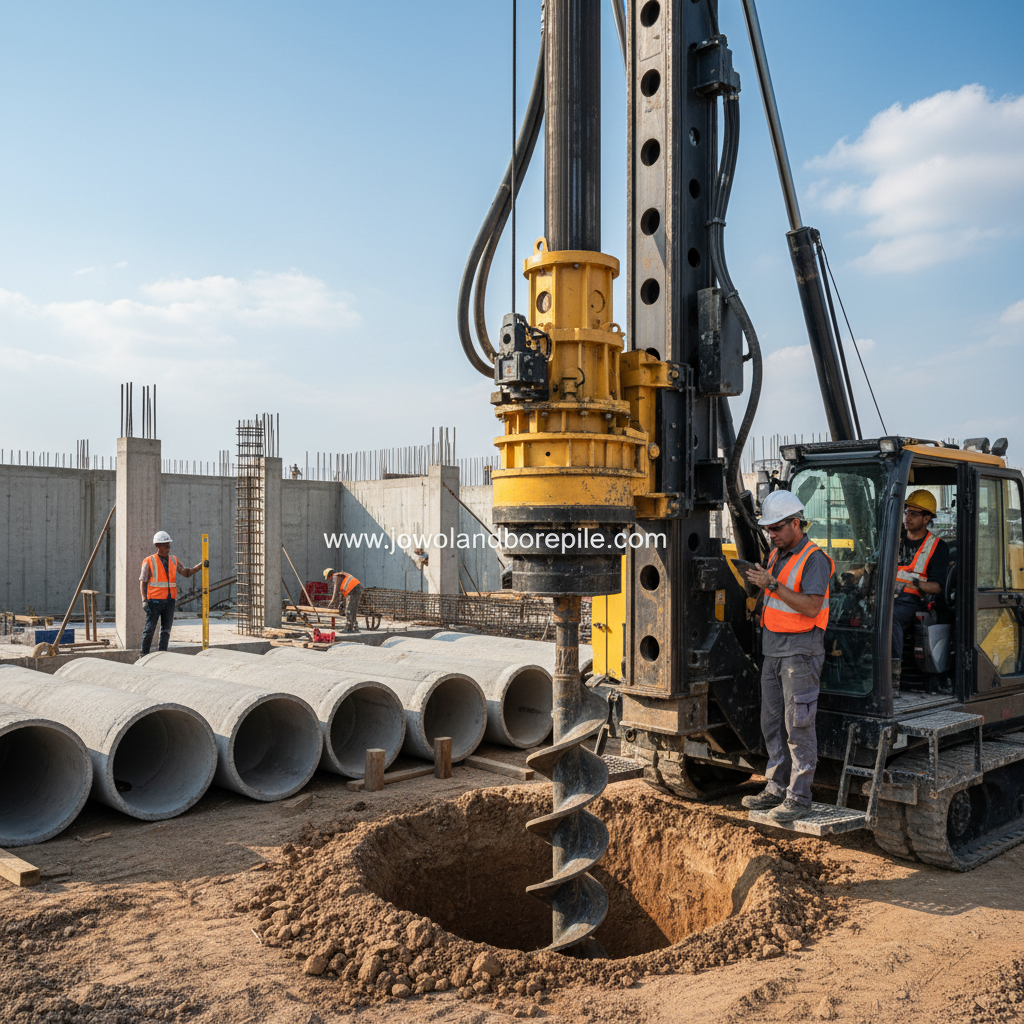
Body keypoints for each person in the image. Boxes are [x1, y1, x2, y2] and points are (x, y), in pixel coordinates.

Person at [740, 490, 835, 822]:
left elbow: (810, 606)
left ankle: (799, 795)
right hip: (774, 651)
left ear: (796, 523)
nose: (772, 534)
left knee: (798, 726)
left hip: (800, 652)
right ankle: (775, 788)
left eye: (777, 528)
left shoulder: (814, 558)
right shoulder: (777, 554)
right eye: (768, 529)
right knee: (772, 724)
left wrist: (771, 585)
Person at [891, 489, 950, 696]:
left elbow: (937, 586)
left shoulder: (937, 547)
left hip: (913, 601)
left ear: (927, 519)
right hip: (887, 597)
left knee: (890, 620)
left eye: (914, 514)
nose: (907, 518)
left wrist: (917, 584)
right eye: (906, 512)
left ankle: (891, 676)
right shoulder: (893, 540)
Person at [139, 531, 203, 656]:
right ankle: (143, 654)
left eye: (168, 545)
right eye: (165, 546)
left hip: (169, 601)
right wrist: (144, 600)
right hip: (154, 601)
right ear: (157, 545)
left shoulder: (173, 560)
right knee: (149, 630)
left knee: (166, 630)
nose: (168, 548)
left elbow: (186, 573)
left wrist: (200, 566)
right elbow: (143, 582)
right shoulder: (149, 561)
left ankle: (162, 654)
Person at [324, 567, 363, 632]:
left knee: (348, 609)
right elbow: (341, 595)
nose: (329, 580)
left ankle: (348, 628)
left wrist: (332, 602)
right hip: (358, 588)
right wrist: (341, 603)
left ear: (329, 575)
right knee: (353, 609)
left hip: (352, 589)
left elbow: (335, 592)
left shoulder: (335, 576)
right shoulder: (341, 576)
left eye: (328, 579)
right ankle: (355, 627)